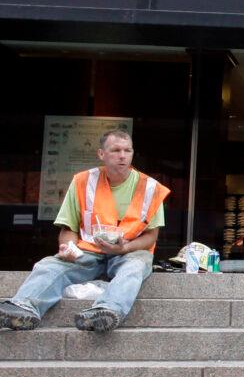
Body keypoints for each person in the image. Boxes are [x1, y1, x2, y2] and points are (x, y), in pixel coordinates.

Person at [0, 129, 169, 333]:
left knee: (133, 268)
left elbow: (151, 236)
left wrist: (125, 248)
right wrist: (68, 247)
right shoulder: (83, 181)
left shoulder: (150, 187)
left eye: (127, 150)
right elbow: (68, 227)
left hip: (130, 251)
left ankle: (106, 311)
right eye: (115, 150)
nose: (123, 155)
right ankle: (24, 306)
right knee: (50, 265)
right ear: (101, 154)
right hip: (88, 251)